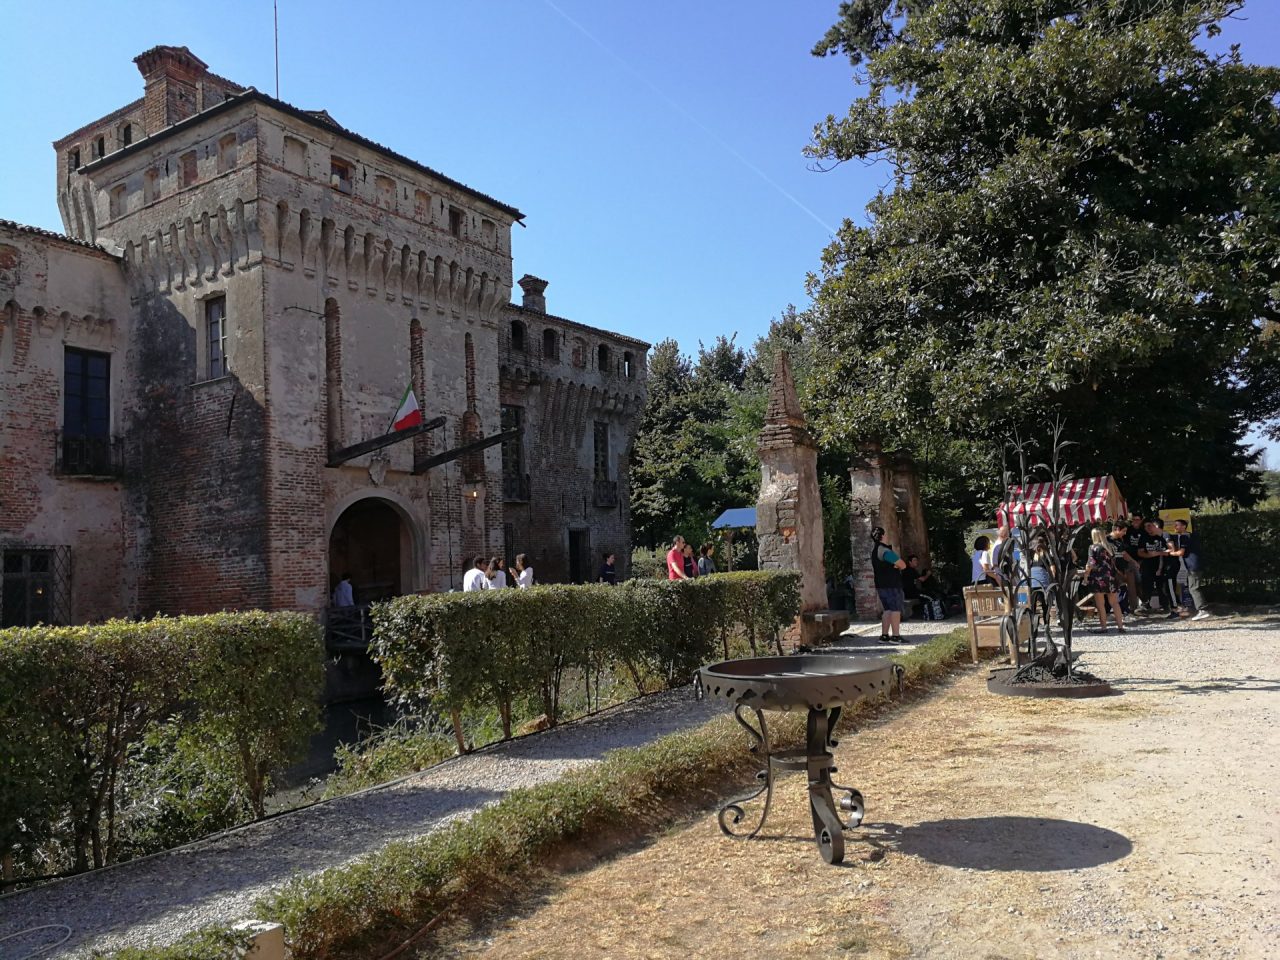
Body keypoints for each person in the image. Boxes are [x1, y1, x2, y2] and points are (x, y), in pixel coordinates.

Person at [870, 525, 908, 644]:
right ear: (883, 536)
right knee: (895, 609)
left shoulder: (875, 551)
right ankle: (896, 636)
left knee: (887, 610)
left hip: (881, 585)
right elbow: (903, 565)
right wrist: (896, 566)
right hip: (892, 584)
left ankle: (884, 635)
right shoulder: (885, 551)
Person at [1084, 528, 1126, 634]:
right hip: (1110, 577)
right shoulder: (1110, 547)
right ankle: (1120, 626)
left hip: (1098, 577)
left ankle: (1104, 627)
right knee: (1114, 603)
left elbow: (1091, 563)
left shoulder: (1093, 547)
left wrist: (1086, 575)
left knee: (1100, 604)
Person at [1168, 518, 1211, 620]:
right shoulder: (1192, 535)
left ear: (1184, 526)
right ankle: (1197, 610)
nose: (1175, 527)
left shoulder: (1184, 537)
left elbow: (1181, 552)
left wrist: (1169, 553)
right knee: (1193, 587)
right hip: (1195, 565)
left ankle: (1202, 610)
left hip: (1193, 566)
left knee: (1193, 588)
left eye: (1177, 525)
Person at [1137, 519, 1178, 617]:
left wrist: (1159, 553)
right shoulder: (1144, 537)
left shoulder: (1164, 536)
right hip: (1148, 565)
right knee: (1147, 585)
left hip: (1163, 565)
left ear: (1156, 526)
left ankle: (1168, 607)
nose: (1148, 528)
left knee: (1163, 587)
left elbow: (1171, 550)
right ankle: (1146, 606)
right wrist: (1151, 555)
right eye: (1145, 526)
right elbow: (1140, 552)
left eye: (1149, 526)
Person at [1108, 521, 1138, 613]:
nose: (1125, 533)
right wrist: (1115, 569)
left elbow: (1124, 553)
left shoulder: (1120, 540)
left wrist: (1134, 562)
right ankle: (1115, 609)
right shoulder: (1107, 540)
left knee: (1125, 588)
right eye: (1123, 531)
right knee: (1117, 589)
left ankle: (1125, 609)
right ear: (1117, 529)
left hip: (1123, 567)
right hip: (1113, 569)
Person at [1124, 514, 1149, 611]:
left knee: (1140, 581)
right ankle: (1136, 604)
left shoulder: (1144, 530)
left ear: (1141, 520)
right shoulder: (1128, 530)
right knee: (1132, 582)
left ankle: (1144, 602)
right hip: (1129, 559)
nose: (1135, 521)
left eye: (1137, 519)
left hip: (1142, 559)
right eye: (1133, 520)